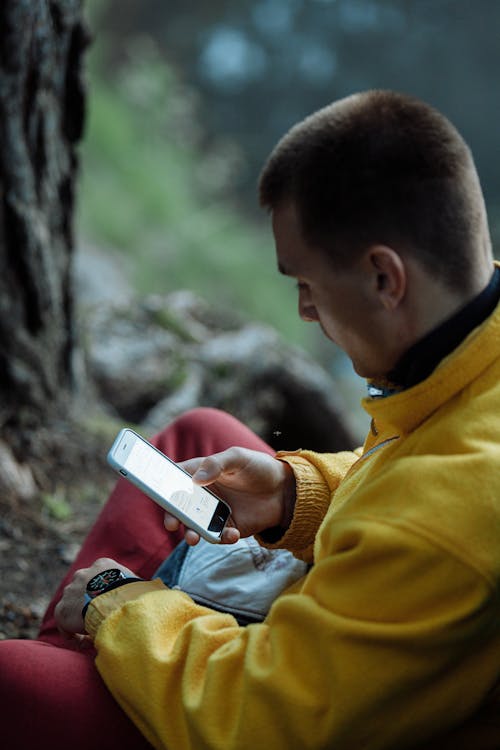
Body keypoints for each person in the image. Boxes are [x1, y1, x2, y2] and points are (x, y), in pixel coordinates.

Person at [1, 89, 499, 749]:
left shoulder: (445, 525)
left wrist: (117, 605)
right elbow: (412, 470)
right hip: (350, 638)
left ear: (385, 278)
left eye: (305, 284)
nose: (303, 311)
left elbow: (264, 718)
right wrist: (298, 495)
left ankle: (67, 681)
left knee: (9, 680)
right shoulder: (469, 346)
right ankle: (76, 685)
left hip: (277, 715)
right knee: (198, 438)